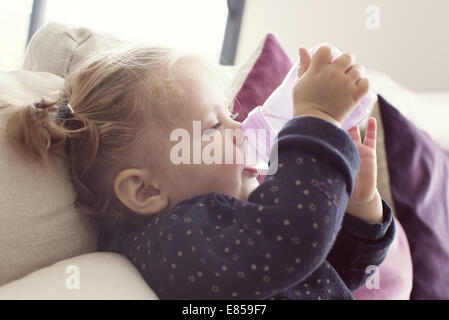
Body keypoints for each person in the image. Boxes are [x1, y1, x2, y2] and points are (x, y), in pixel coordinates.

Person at [5, 44, 395, 300]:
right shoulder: (175, 240)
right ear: (144, 191)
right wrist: (318, 119)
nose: (242, 130)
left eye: (233, 115)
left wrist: (362, 207)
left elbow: (332, 273)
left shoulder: (236, 221)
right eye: (212, 127)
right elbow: (293, 240)